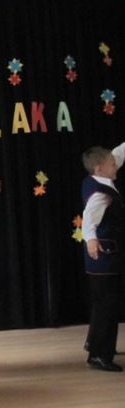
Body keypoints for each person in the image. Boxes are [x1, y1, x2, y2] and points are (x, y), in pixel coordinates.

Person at [80, 141, 125, 372]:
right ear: (99, 169)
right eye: (111, 164)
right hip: (104, 257)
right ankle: (99, 355)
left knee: (103, 303)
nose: (116, 165)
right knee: (107, 304)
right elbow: (89, 219)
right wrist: (91, 240)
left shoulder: (97, 179)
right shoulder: (100, 193)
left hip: (103, 257)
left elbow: (118, 153)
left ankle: (97, 345)